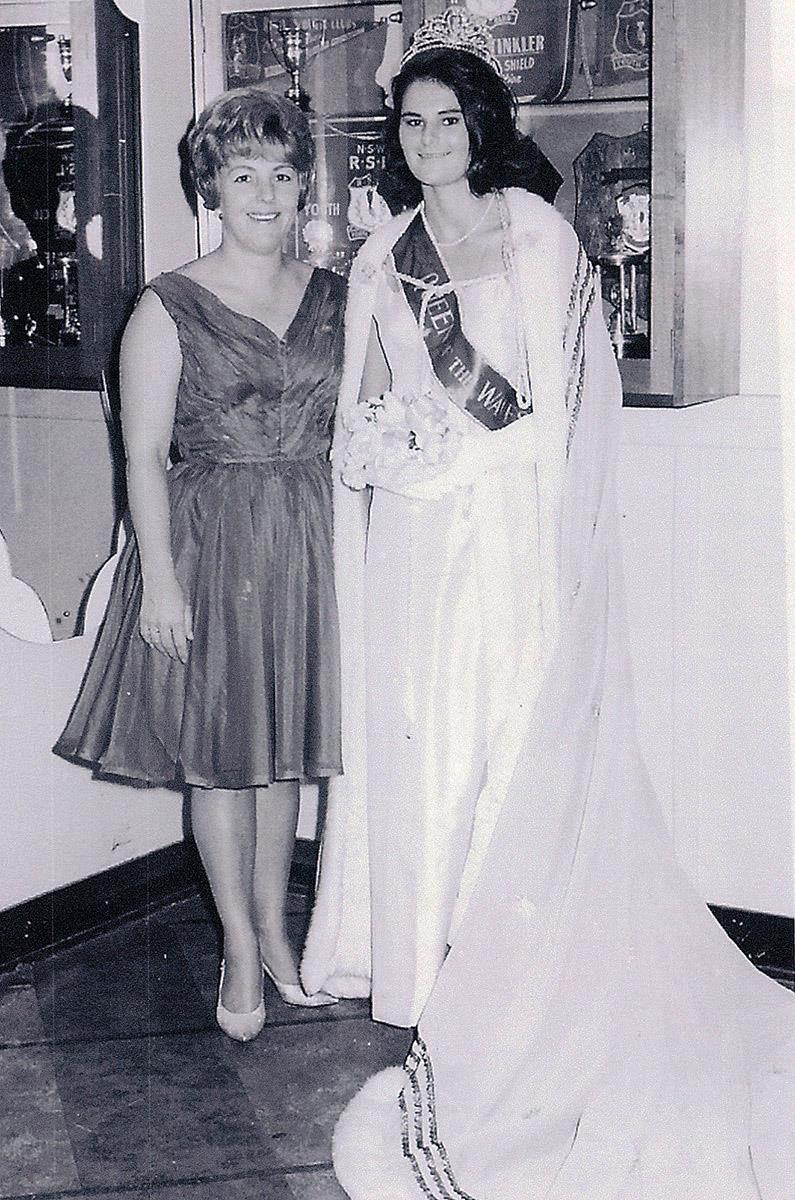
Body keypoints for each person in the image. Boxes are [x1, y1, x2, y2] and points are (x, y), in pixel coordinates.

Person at [300, 9, 795, 1197]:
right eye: (408, 123)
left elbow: (567, 409)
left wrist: (546, 522)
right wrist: (389, 439)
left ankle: (509, 972)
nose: (427, 139)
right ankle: (421, 971)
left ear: (481, 125)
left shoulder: (535, 234)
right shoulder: (381, 259)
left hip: (512, 532)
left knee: (504, 740)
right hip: (418, 538)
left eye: (445, 119)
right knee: (421, 749)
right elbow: (366, 399)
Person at [54, 85, 344, 1041]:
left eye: (282, 173)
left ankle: (276, 937)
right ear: (211, 186)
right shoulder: (169, 302)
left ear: (305, 187)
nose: (264, 193)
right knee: (222, 762)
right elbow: (140, 454)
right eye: (242, 173)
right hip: (210, 546)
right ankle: (234, 947)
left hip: (308, 541)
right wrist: (162, 583)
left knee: (281, 759)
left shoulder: (337, 295)